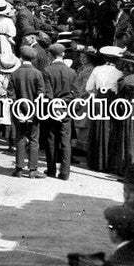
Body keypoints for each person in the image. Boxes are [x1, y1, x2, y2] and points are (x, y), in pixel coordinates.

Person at [8, 46, 46, 178]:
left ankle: (18, 168)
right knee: (34, 139)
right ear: (34, 58)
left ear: (21, 57)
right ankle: (32, 170)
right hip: (33, 111)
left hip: (18, 111)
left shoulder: (15, 73)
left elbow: (10, 94)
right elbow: (41, 93)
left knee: (20, 138)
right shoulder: (37, 73)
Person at [43, 43, 76, 180]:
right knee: (65, 141)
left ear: (51, 55)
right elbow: (76, 92)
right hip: (66, 109)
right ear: (63, 55)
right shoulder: (72, 72)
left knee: (51, 139)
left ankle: (51, 170)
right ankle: (65, 172)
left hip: (52, 108)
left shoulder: (47, 71)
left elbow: (48, 93)